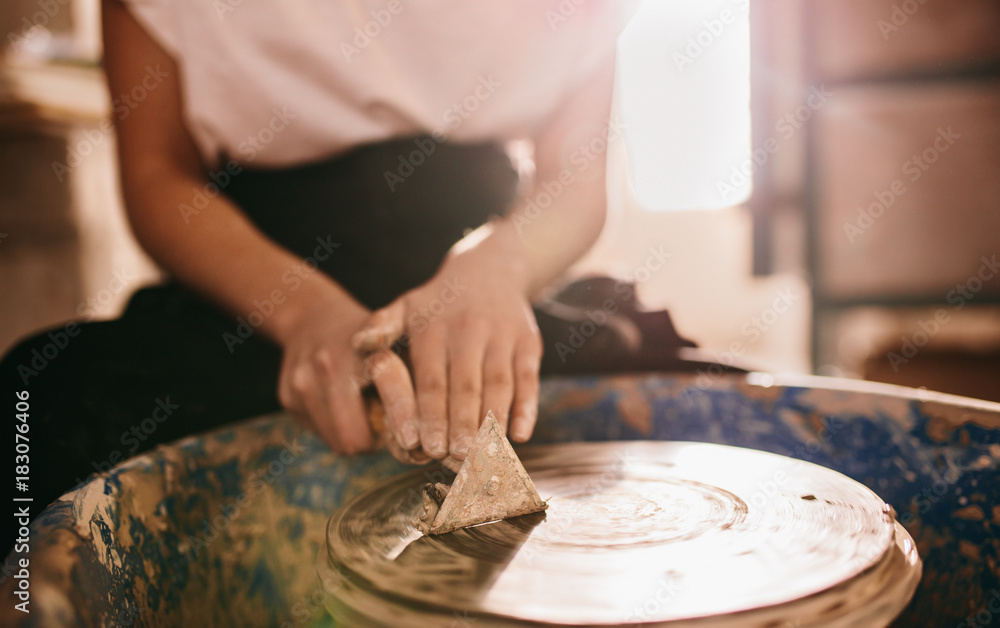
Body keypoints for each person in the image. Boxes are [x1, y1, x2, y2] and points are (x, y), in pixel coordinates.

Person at [2, 0, 644, 551]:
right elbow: (156, 178)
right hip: (254, 281)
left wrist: (496, 271)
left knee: (649, 396)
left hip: (485, 275)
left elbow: (576, 179)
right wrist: (303, 314)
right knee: (35, 405)